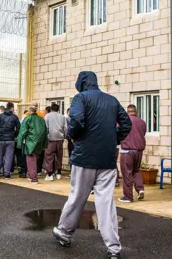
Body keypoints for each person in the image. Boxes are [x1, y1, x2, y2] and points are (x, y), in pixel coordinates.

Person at [53, 71, 131, 259]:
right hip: (107, 159)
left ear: (82, 83)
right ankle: (114, 248)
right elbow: (126, 124)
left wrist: (73, 135)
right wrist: (114, 140)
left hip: (84, 158)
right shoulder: (112, 100)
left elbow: (77, 120)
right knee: (105, 202)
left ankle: (64, 232)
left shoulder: (81, 98)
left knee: (77, 197)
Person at [118, 104, 146, 203]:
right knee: (136, 170)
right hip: (139, 150)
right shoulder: (142, 122)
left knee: (127, 173)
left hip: (127, 151)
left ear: (127, 111)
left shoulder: (123, 121)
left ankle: (128, 196)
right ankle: (140, 189)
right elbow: (143, 134)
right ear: (136, 111)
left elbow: (118, 133)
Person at [17, 107, 48, 184]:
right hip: (39, 142)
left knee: (30, 160)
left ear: (30, 111)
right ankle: (32, 175)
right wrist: (45, 143)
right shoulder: (41, 119)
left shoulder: (28, 118)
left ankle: (33, 178)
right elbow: (45, 131)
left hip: (30, 142)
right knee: (35, 159)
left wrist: (19, 143)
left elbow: (23, 131)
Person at [0, 102, 20, 179]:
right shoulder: (15, 117)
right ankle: (7, 174)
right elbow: (18, 128)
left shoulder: (0, 116)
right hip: (10, 139)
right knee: (9, 157)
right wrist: (14, 135)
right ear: (12, 108)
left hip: (0, 139)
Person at [44, 103, 67, 181]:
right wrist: (64, 136)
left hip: (50, 138)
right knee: (59, 156)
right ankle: (59, 173)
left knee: (49, 156)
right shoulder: (63, 117)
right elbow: (66, 128)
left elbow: (45, 128)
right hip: (60, 139)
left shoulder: (47, 116)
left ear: (51, 108)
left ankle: (50, 174)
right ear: (58, 109)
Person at [65, 108, 74, 179]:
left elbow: (67, 129)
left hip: (71, 140)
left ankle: (72, 172)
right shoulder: (75, 119)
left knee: (71, 155)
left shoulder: (68, 119)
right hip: (75, 140)